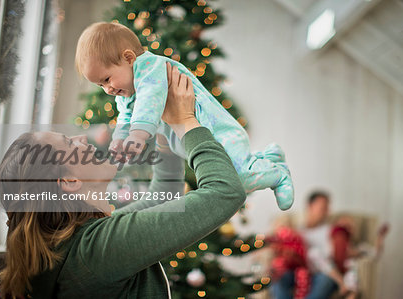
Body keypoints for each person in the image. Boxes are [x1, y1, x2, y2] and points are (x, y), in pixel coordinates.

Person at [0, 66, 247, 298]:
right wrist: (187, 122)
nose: (82, 137)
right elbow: (225, 192)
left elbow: (164, 196)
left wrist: (163, 132)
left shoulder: (82, 243)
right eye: (70, 143)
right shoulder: (97, 250)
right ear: (70, 181)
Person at [74, 22, 294, 211]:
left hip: (218, 134)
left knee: (237, 181)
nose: (108, 89)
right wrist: (119, 140)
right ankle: (269, 158)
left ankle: (278, 174)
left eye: (107, 79)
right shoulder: (127, 89)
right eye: (100, 85)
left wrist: (138, 136)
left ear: (129, 58)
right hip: (199, 141)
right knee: (236, 173)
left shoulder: (150, 67)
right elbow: (126, 114)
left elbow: (150, 100)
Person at [299, 191, 346, 299]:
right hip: (302, 272)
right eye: (323, 207)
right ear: (310, 206)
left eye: (327, 208)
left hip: (325, 273)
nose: (327, 211)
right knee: (280, 277)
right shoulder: (298, 231)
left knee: (325, 280)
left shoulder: (331, 230)